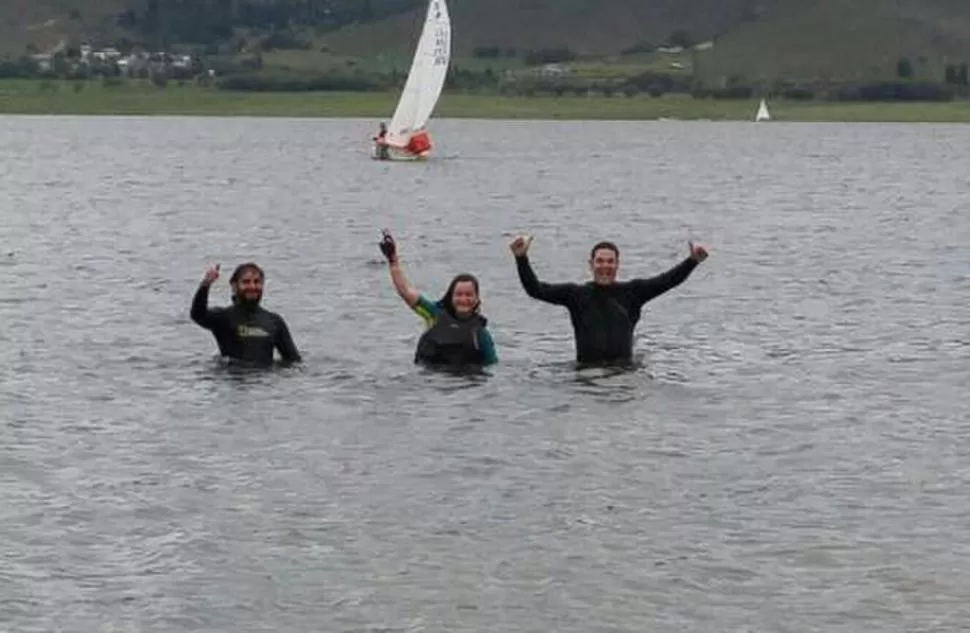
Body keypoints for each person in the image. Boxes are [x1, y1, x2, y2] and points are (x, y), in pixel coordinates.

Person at [509, 235, 709, 366]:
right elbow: (535, 290)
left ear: (617, 265)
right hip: (587, 374)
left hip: (624, 374)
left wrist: (692, 261)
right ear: (591, 264)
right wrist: (521, 258)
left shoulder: (633, 293)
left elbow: (667, 281)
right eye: (600, 261)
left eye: (610, 261)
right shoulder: (575, 295)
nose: (605, 266)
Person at [379, 230, 497, 367]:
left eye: (469, 294)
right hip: (431, 382)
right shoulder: (433, 314)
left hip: (467, 383)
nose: (463, 299)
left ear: (477, 299)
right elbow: (405, 292)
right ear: (451, 296)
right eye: (459, 294)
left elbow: (492, 366)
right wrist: (393, 261)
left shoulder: (481, 334)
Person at [190, 262, 302, 367]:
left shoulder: (274, 322)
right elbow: (197, 315)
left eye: (257, 282)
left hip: (265, 383)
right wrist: (205, 285)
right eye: (246, 282)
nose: (252, 287)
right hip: (232, 382)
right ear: (234, 286)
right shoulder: (223, 318)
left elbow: (293, 361)